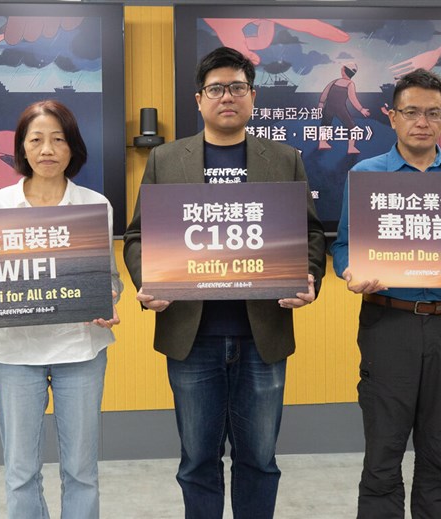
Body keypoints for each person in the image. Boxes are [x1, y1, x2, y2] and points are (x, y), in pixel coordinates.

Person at [122, 46, 326, 519]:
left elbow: (311, 232)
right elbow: (137, 236)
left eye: (237, 87)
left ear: (252, 96)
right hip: (192, 335)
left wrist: (310, 276)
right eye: (216, 89)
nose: (227, 97)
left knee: (259, 460)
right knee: (197, 462)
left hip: (263, 334)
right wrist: (146, 281)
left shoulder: (285, 159)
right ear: (199, 99)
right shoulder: (167, 161)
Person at [0, 99, 122, 519]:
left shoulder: (96, 206)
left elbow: (108, 279)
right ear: (22, 148)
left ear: (72, 147)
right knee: (20, 472)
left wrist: (108, 302)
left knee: (81, 471)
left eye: (58, 139)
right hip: (15, 355)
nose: (47, 149)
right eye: (36, 140)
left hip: (81, 352)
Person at [330, 68, 441, 519]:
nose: (422, 122)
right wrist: (349, 271)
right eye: (411, 111)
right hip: (387, 322)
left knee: (440, 450)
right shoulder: (366, 173)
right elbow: (342, 244)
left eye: (433, 113)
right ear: (391, 117)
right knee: (383, 453)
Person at [317, 62, 370, 154]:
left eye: (342, 68)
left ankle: (322, 142)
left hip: (329, 106)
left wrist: (321, 103)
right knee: (351, 127)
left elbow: (325, 92)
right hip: (340, 108)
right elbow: (353, 98)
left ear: (345, 71)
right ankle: (351, 147)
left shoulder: (335, 81)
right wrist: (361, 109)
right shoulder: (350, 84)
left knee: (325, 124)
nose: (341, 69)